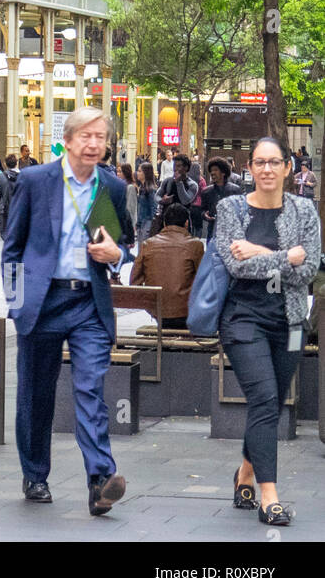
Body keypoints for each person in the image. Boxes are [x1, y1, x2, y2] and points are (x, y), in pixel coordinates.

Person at [1, 105, 135, 516]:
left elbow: (121, 243)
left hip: (88, 304)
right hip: (42, 303)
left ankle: (100, 479)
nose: (95, 145)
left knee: (90, 389)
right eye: (87, 137)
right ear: (70, 140)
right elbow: (12, 249)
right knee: (36, 393)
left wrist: (117, 256)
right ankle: (35, 473)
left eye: (101, 138)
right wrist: (17, 303)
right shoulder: (35, 180)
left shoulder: (109, 187)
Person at [215, 137, 321, 526]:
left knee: (273, 403)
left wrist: (258, 252)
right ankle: (269, 496)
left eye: (274, 162)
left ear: (288, 167)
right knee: (263, 398)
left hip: (291, 323)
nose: (267, 170)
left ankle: (245, 470)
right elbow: (234, 265)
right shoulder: (230, 208)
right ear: (250, 167)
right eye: (259, 162)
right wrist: (283, 257)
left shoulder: (305, 210)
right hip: (243, 319)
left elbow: (308, 271)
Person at [130, 204, 203, 330]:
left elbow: (134, 282)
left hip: (157, 309)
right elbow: (204, 281)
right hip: (185, 310)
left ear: (164, 223)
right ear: (186, 223)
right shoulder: (195, 245)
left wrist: (150, 305)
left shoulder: (148, 244)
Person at [159, 152, 201, 236]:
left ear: (186, 168)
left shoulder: (192, 185)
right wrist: (162, 200)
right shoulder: (168, 181)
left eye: (179, 166)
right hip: (167, 218)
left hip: (183, 221)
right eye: (174, 166)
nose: (175, 169)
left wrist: (179, 183)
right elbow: (157, 195)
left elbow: (185, 200)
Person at [202, 158, 244, 240]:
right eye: (211, 171)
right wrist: (204, 215)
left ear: (223, 172)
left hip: (231, 233)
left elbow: (241, 211)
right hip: (212, 231)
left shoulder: (235, 190)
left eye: (216, 170)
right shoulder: (206, 192)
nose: (212, 173)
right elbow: (202, 210)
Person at [135, 161, 159, 241]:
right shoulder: (142, 188)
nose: (137, 173)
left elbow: (154, 209)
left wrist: (151, 228)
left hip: (147, 225)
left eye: (139, 171)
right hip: (141, 224)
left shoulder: (151, 190)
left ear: (145, 173)